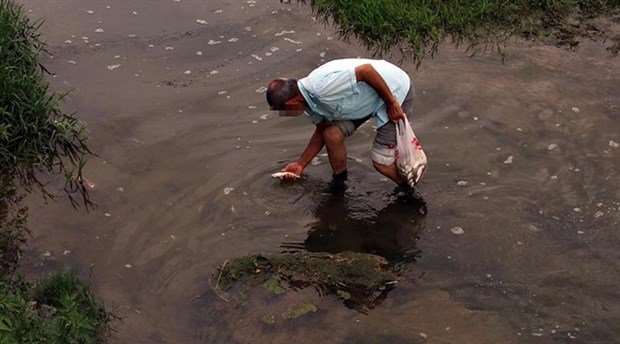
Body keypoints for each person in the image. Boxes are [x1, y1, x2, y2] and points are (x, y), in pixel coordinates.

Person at [266, 58, 414, 187]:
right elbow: (321, 131)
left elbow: (366, 71)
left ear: (292, 102)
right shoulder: (307, 101)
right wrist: (300, 164)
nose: (285, 115)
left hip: (393, 89)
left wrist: (392, 103)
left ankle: (409, 190)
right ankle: (340, 182)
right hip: (361, 101)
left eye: (283, 111)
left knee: (382, 163)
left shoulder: (322, 89)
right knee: (331, 134)